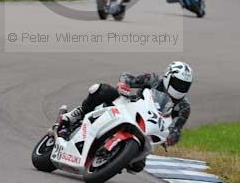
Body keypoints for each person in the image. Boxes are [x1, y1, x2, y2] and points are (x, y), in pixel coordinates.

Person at [60, 62, 193, 173]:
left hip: (148, 127)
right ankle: (78, 113)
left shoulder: (184, 107)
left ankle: (115, 157)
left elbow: (177, 128)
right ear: (168, 77)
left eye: (185, 85)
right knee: (102, 90)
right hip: (131, 107)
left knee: (137, 166)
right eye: (178, 83)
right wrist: (124, 84)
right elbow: (127, 77)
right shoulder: (153, 79)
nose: (181, 88)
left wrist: (171, 137)